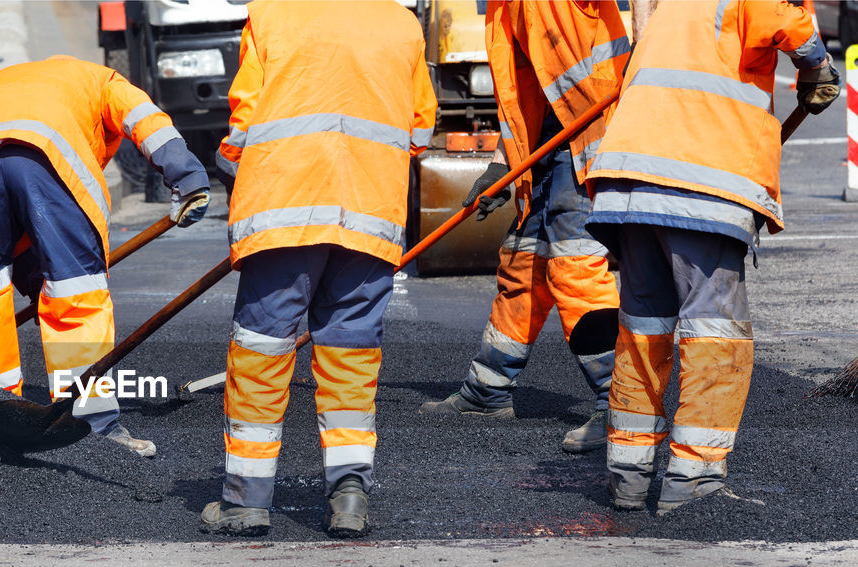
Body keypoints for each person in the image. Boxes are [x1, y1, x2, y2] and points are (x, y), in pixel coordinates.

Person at [585, 0, 839, 514]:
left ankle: (629, 475)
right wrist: (818, 67)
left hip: (628, 180)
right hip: (698, 178)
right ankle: (694, 479)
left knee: (643, 326)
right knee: (713, 325)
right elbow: (790, 23)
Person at [202, 0, 438, 538]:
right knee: (351, 354)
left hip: (285, 211)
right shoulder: (402, 22)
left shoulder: (271, 15)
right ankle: (350, 497)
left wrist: (232, 166)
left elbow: (244, 120)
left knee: (263, 348)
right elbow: (420, 130)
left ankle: (246, 501)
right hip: (369, 214)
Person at [0, 56, 210, 458]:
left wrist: (37, 281)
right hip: (47, 151)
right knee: (76, 288)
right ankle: (92, 421)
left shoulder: (7, 83)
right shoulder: (103, 80)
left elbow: (11, 232)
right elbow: (148, 121)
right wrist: (188, 178)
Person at [418, 0, 631, 455]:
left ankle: (621, 401)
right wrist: (502, 166)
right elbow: (528, 97)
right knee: (523, 261)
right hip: (548, 147)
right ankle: (488, 389)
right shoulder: (502, 9)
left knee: (573, 267)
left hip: (593, 139)